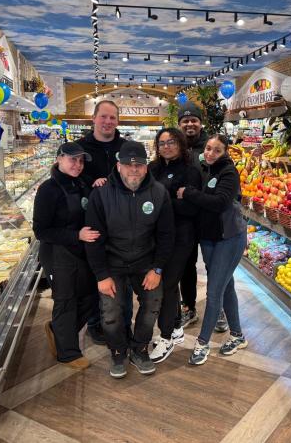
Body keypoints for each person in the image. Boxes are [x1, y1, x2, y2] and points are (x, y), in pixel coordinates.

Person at [85, 141, 175, 378]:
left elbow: (166, 235)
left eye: (139, 165)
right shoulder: (101, 194)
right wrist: (101, 276)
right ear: (118, 166)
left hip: (145, 261)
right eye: (128, 164)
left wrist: (157, 269)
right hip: (111, 263)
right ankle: (117, 351)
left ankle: (139, 348)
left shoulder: (158, 193)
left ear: (146, 167)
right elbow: (92, 238)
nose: (133, 169)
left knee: (152, 304)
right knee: (111, 313)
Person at [177, 134, 248, 365]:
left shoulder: (228, 172)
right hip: (209, 239)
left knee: (214, 291)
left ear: (225, 152)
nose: (210, 153)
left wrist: (188, 193)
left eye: (216, 150)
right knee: (226, 286)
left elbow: (219, 203)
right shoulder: (204, 169)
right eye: (208, 148)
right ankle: (237, 336)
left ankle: (202, 343)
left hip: (229, 238)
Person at [33, 142, 100, 370]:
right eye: (73, 159)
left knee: (91, 296)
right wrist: (76, 235)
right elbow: (41, 231)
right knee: (66, 300)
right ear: (59, 158)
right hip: (57, 252)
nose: (78, 165)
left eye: (81, 161)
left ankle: (57, 330)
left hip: (79, 251)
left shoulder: (81, 184)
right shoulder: (48, 190)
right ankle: (68, 353)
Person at [75, 100, 130, 344]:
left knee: (120, 273)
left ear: (118, 121)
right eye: (103, 117)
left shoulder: (126, 146)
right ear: (94, 118)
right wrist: (92, 185)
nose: (108, 122)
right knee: (94, 273)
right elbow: (73, 176)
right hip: (91, 219)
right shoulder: (80, 147)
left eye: (112, 118)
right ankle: (96, 323)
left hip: (122, 221)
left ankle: (123, 321)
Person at [148, 128, 201, 363]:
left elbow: (191, 208)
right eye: (162, 143)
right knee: (168, 284)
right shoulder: (153, 169)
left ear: (180, 143)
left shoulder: (191, 171)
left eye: (171, 142)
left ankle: (167, 336)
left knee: (168, 283)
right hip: (158, 236)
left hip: (182, 236)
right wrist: (173, 200)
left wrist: (160, 203)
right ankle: (176, 325)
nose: (166, 146)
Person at [178, 102, 228, 333]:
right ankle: (189, 308)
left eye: (193, 120)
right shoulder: (175, 146)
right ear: (180, 124)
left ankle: (219, 310)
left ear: (200, 122)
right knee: (186, 265)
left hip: (210, 219)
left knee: (215, 267)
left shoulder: (212, 145)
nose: (190, 124)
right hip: (185, 220)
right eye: (185, 121)